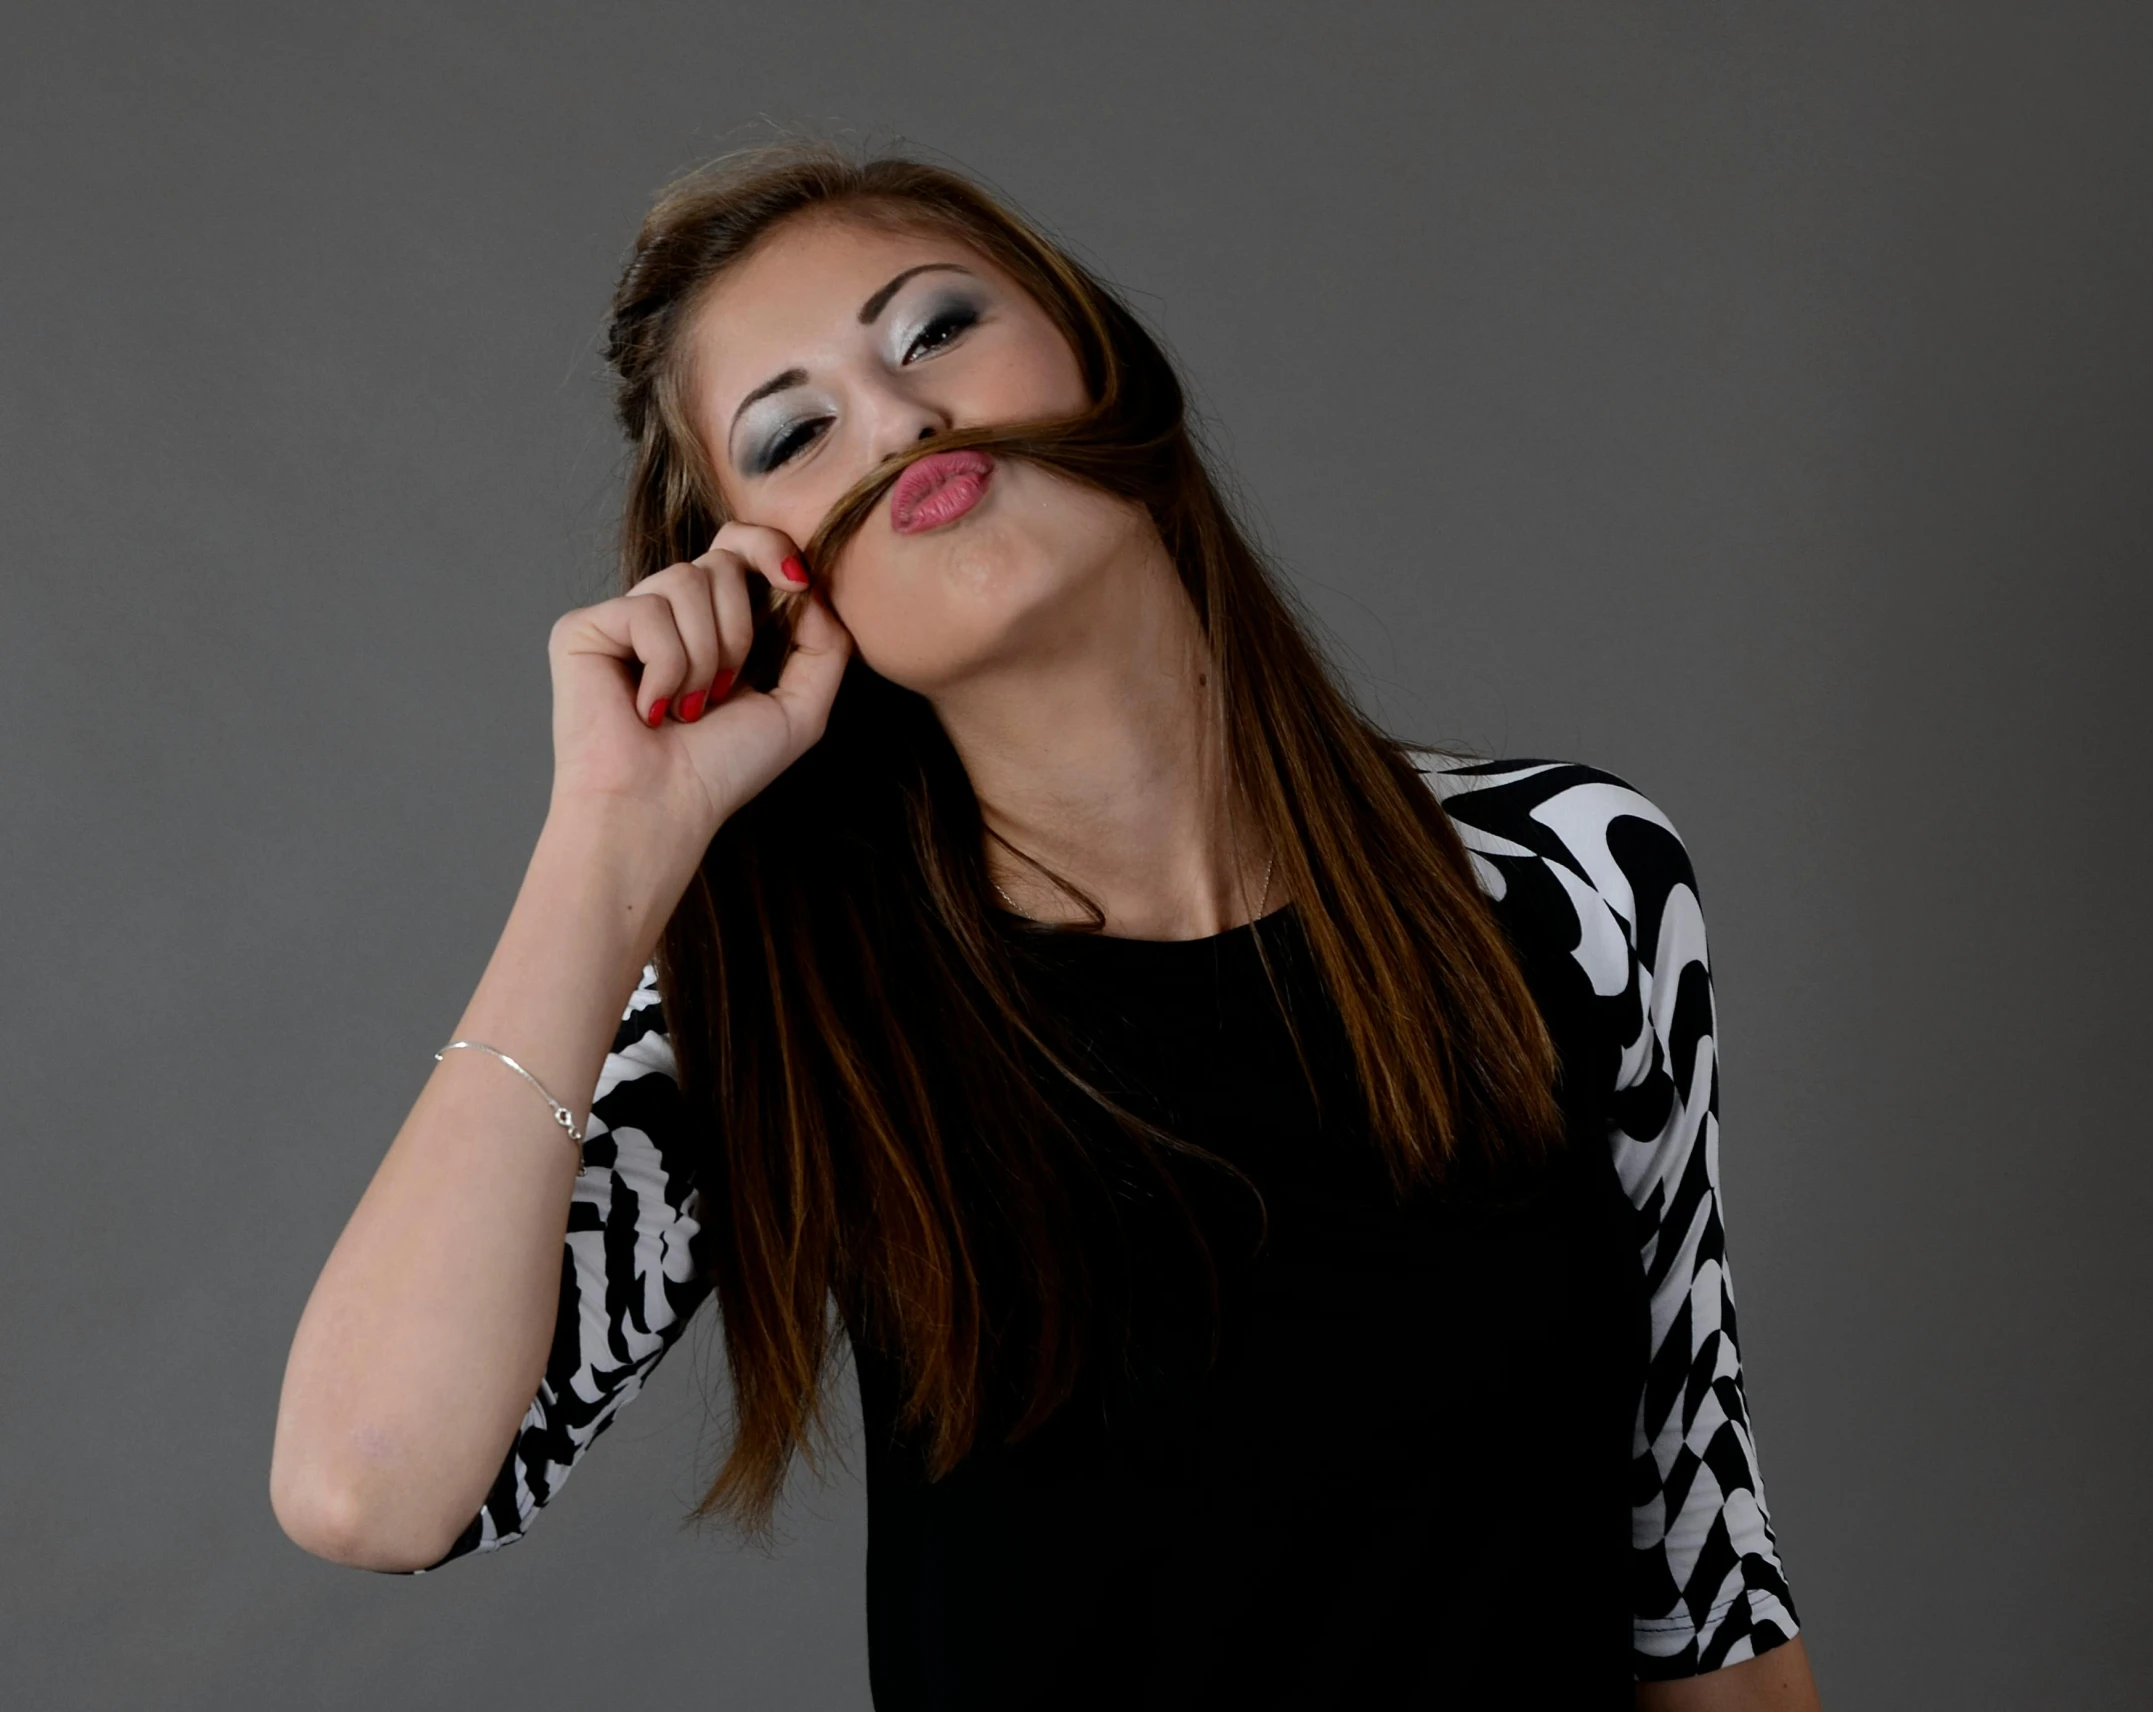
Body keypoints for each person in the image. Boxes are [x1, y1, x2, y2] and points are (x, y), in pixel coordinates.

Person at [270, 143, 1821, 1709]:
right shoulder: (802, 1020)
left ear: (1096, 355)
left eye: (935, 330)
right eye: (796, 429)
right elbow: (372, 1486)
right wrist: (608, 842)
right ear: (764, 581)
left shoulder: (1564, 873)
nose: (896, 419)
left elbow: (1696, 1562)